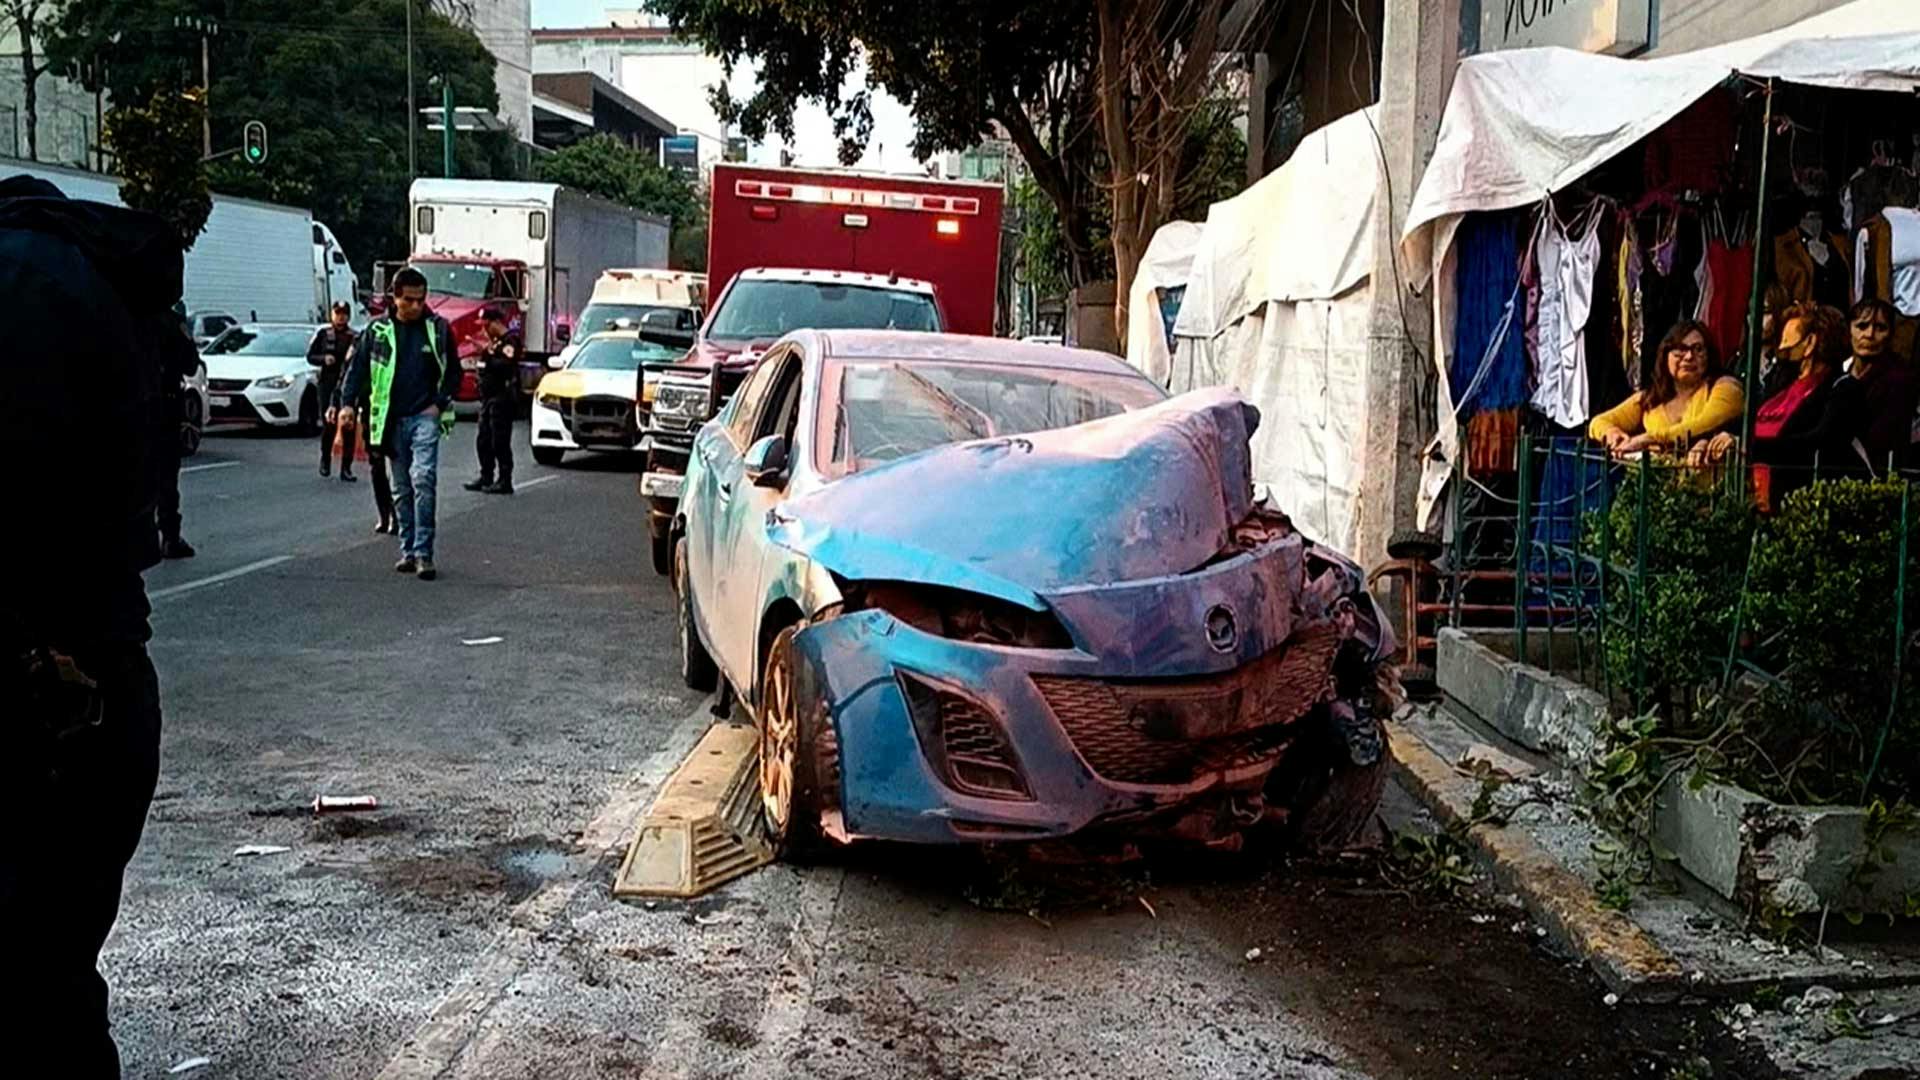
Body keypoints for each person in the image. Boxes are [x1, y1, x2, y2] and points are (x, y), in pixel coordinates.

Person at [0, 175, 178, 1075]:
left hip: (48, 687)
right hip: (103, 674)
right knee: (53, 977)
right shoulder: (92, 277)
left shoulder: (22, 281)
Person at [340, 266, 459, 580]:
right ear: (395, 298)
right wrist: (346, 405)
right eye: (409, 300)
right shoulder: (377, 331)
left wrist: (438, 403)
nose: (416, 306)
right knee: (402, 489)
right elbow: (356, 370)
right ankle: (407, 550)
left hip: (424, 416)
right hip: (390, 420)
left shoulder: (438, 329)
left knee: (424, 478)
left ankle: (424, 553)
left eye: (421, 299)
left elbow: (454, 372)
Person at [1694, 304, 1849, 506]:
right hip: (1753, 494)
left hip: (1799, 501)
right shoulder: (1781, 382)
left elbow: (1815, 442)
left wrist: (1746, 445)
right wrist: (1709, 439)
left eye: (1787, 340)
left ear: (1810, 343)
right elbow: (1747, 420)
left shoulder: (1842, 389)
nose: (1781, 347)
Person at [1589, 319, 1746, 457]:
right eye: (1680, 349)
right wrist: (1613, 434)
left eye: (1698, 349)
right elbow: (1598, 422)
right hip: (1653, 480)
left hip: (1705, 480)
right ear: (1665, 355)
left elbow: (1705, 423)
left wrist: (1649, 439)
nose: (1689, 357)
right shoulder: (1651, 397)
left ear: (1709, 354)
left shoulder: (1725, 387)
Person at [1828, 298, 1918, 473]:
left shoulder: (1900, 380)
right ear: (1849, 330)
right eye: (1862, 326)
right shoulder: (1836, 373)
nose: (1869, 334)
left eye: (1880, 328)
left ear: (1891, 335)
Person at [155, 301, 199, 558]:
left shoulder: (124, 313)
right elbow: (190, 363)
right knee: (166, 475)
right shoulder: (171, 321)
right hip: (164, 404)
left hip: (132, 404)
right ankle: (170, 536)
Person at [464, 305, 519, 495]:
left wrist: (487, 355)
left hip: (501, 397)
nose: (484, 329)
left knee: (500, 440)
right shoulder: (494, 343)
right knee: (484, 440)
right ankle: (486, 475)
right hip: (487, 398)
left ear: (496, 323)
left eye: (486, 325)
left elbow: (506, 366)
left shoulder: (510, 341)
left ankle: (504, 479)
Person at [309, 301, 358, 481]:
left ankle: (346, 468)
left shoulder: (354, 337)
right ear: (332, 314)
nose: (341, 317)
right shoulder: (323, 334)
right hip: (327, 384)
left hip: (347, 384)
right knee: (328, 424)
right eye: (338, 313)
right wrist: (324, 358)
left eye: (344, 314)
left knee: (348, 425)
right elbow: (310, 356)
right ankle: (325, 459)